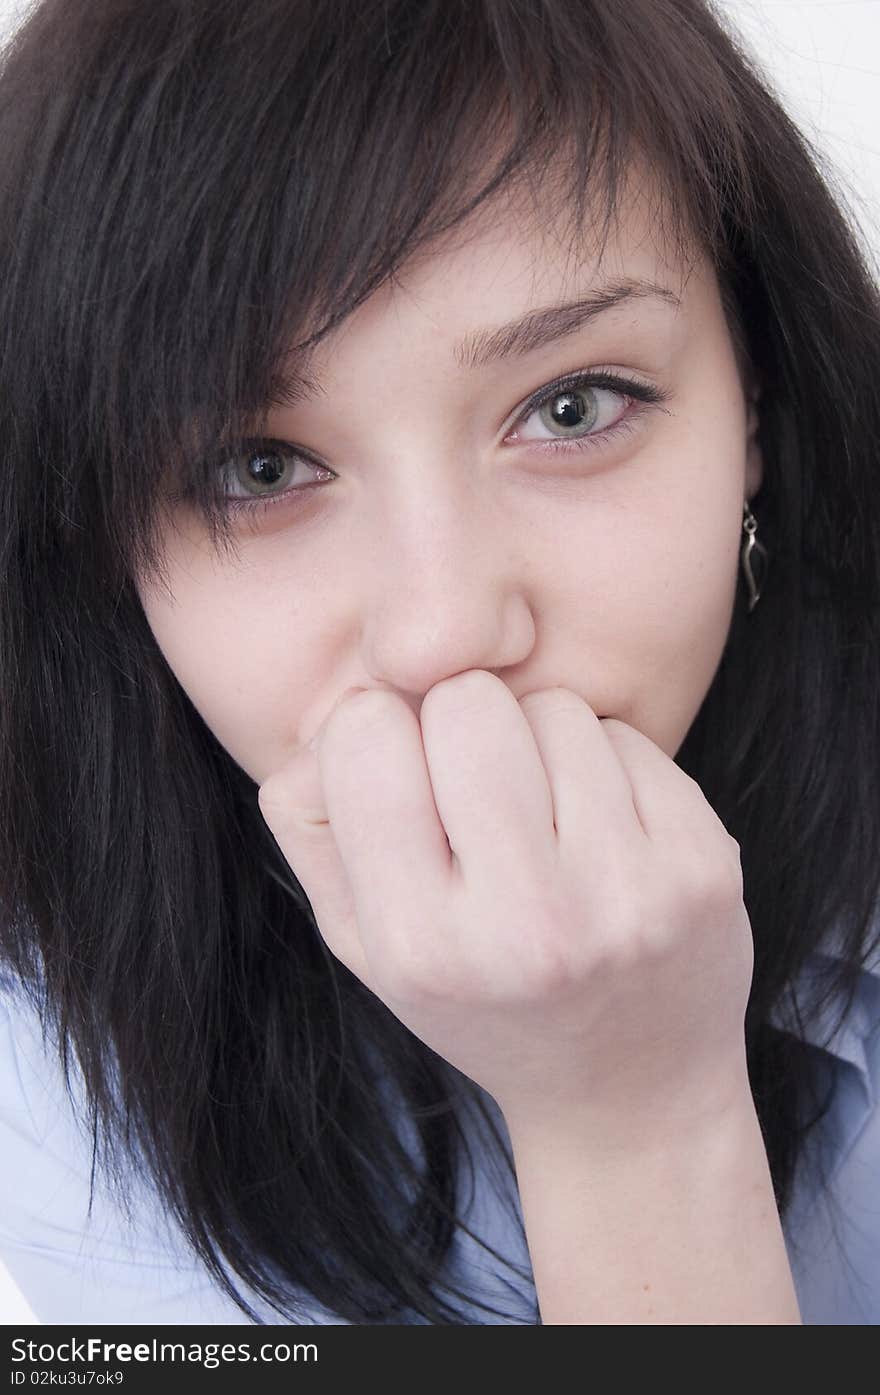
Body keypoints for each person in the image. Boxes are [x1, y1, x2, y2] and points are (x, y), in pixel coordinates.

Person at [0, 0, 878, 1327]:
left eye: (573, 406)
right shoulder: (49, 1073)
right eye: (259, 469)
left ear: (753, 409)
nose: (444, 631)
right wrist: (633, 1126)